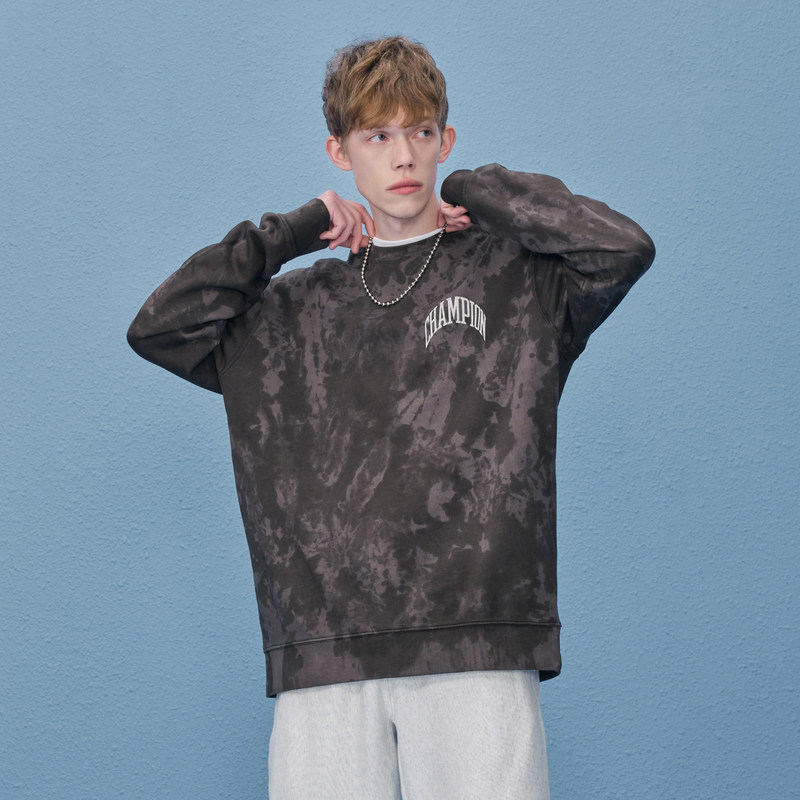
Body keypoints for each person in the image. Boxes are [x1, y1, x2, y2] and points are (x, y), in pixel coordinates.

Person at [128, 35, 655, 800]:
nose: (403, 156)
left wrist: (479, 191)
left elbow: (622, 248)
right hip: (326, 651)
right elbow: (159, 327)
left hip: (479, 641)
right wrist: (292, 231)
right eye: (377, 135)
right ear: (339, 152)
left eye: (420, 132)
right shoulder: (292, 315)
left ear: (445, 139)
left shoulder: (517, 283)